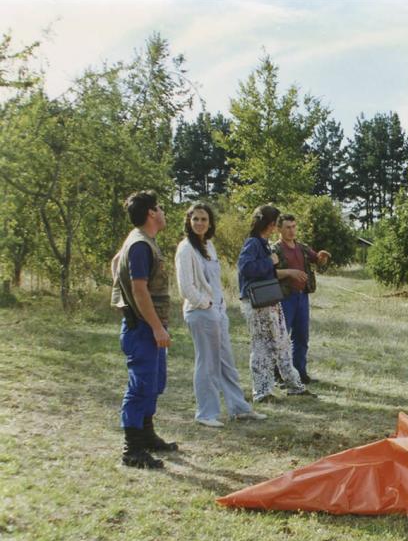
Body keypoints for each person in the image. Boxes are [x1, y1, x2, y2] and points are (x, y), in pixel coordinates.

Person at [175, 203, 267, 428]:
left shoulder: (208, 245)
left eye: (204, 219)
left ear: (210, 223)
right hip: (200, 312)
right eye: (195, 219)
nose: (199, 223)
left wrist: (219, 305)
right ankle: (206, 413)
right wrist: (205, 303)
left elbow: (214, 281)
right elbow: (185, 287)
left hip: (217, 312)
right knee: (207, 363)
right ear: (188, 221)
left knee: (226, 362)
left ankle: (239, 408)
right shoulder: (185, 249)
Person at [111, 190, 177, 469]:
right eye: (160, 208)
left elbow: (116, 262)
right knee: (140, 387)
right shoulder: (140, 245)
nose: (163, 212)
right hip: (142, 329)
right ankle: (132, 450)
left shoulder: (141, 240)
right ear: (151, 213)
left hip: (148, 327)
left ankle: (147, 435)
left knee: (154, 383)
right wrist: (156, 328)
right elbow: (139, 290)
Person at [237, 204, 311, 402]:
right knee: (262, 347)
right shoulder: (253, 243)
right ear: (269, 224)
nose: (275, 227)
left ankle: (294, 385)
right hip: (257, 302)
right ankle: (262, 392)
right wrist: (269, 261)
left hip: (269, 299)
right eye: (274, 223)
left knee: (282, 343)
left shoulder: (263, 243)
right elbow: (245, 268)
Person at [272, 213, 331, 384]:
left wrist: (322, 257)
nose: (291, 231)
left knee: (301, 337)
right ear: (279, 229)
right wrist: (290, 273)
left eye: (293, 227)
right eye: (287, 227)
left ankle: (300, 372)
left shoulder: (302, 247)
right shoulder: (275, 249)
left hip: (302, 296)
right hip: (284, 297)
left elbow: (317, 261)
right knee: (281, 337)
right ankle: (279, 375)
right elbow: (269, 273)